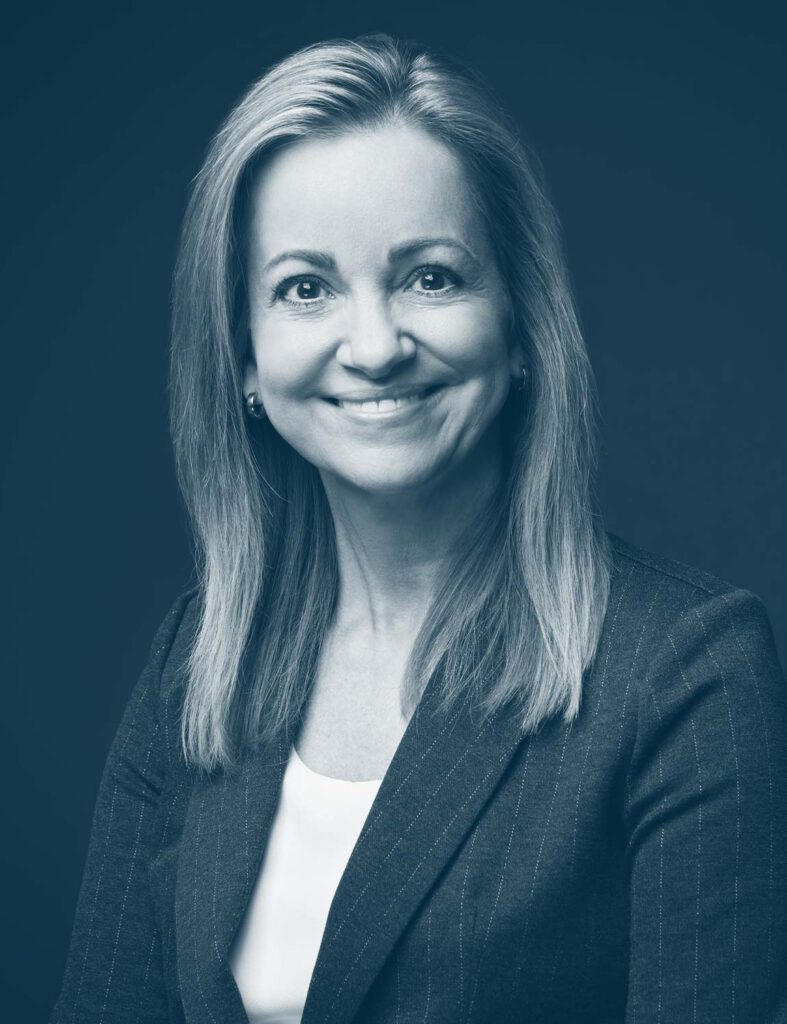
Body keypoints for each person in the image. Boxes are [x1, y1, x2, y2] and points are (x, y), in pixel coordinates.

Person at [49, 34, 787, 1024]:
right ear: (246, 364)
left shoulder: (684, 674)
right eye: (305, 287)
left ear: (521, 325)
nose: (374, 346)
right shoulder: (195, 663)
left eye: (430, 277)